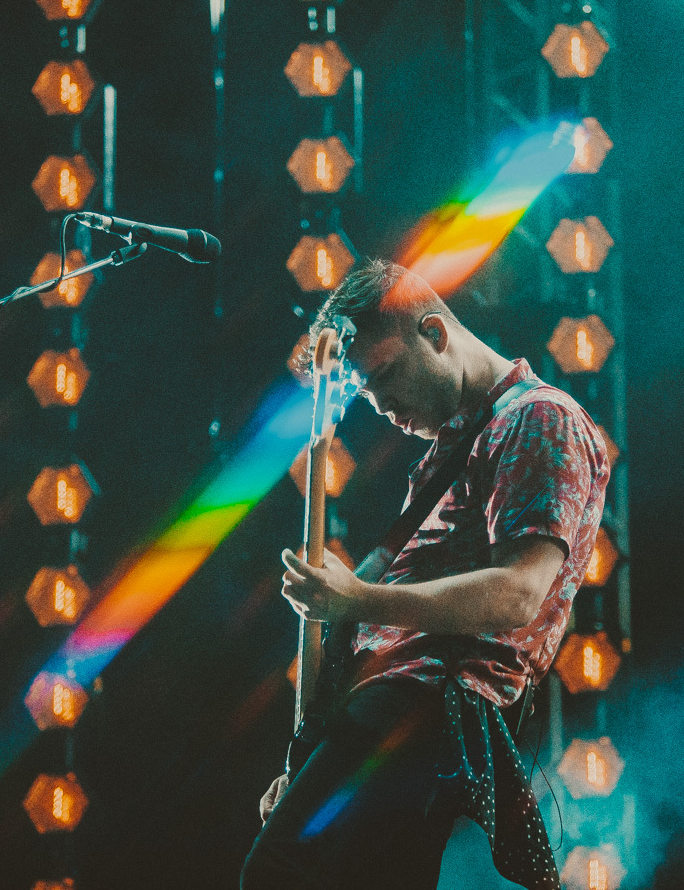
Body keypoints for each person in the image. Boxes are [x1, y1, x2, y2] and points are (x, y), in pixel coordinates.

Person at [240, 259, 610, 890]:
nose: (381, 405)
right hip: (390, 706)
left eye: (384, 376)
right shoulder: (448, 454)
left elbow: (518, 592)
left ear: (434, 333)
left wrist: (359, 599)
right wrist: (312, 754)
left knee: (280, 873)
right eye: (366, 392)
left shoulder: (540, 418)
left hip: (425, 701)